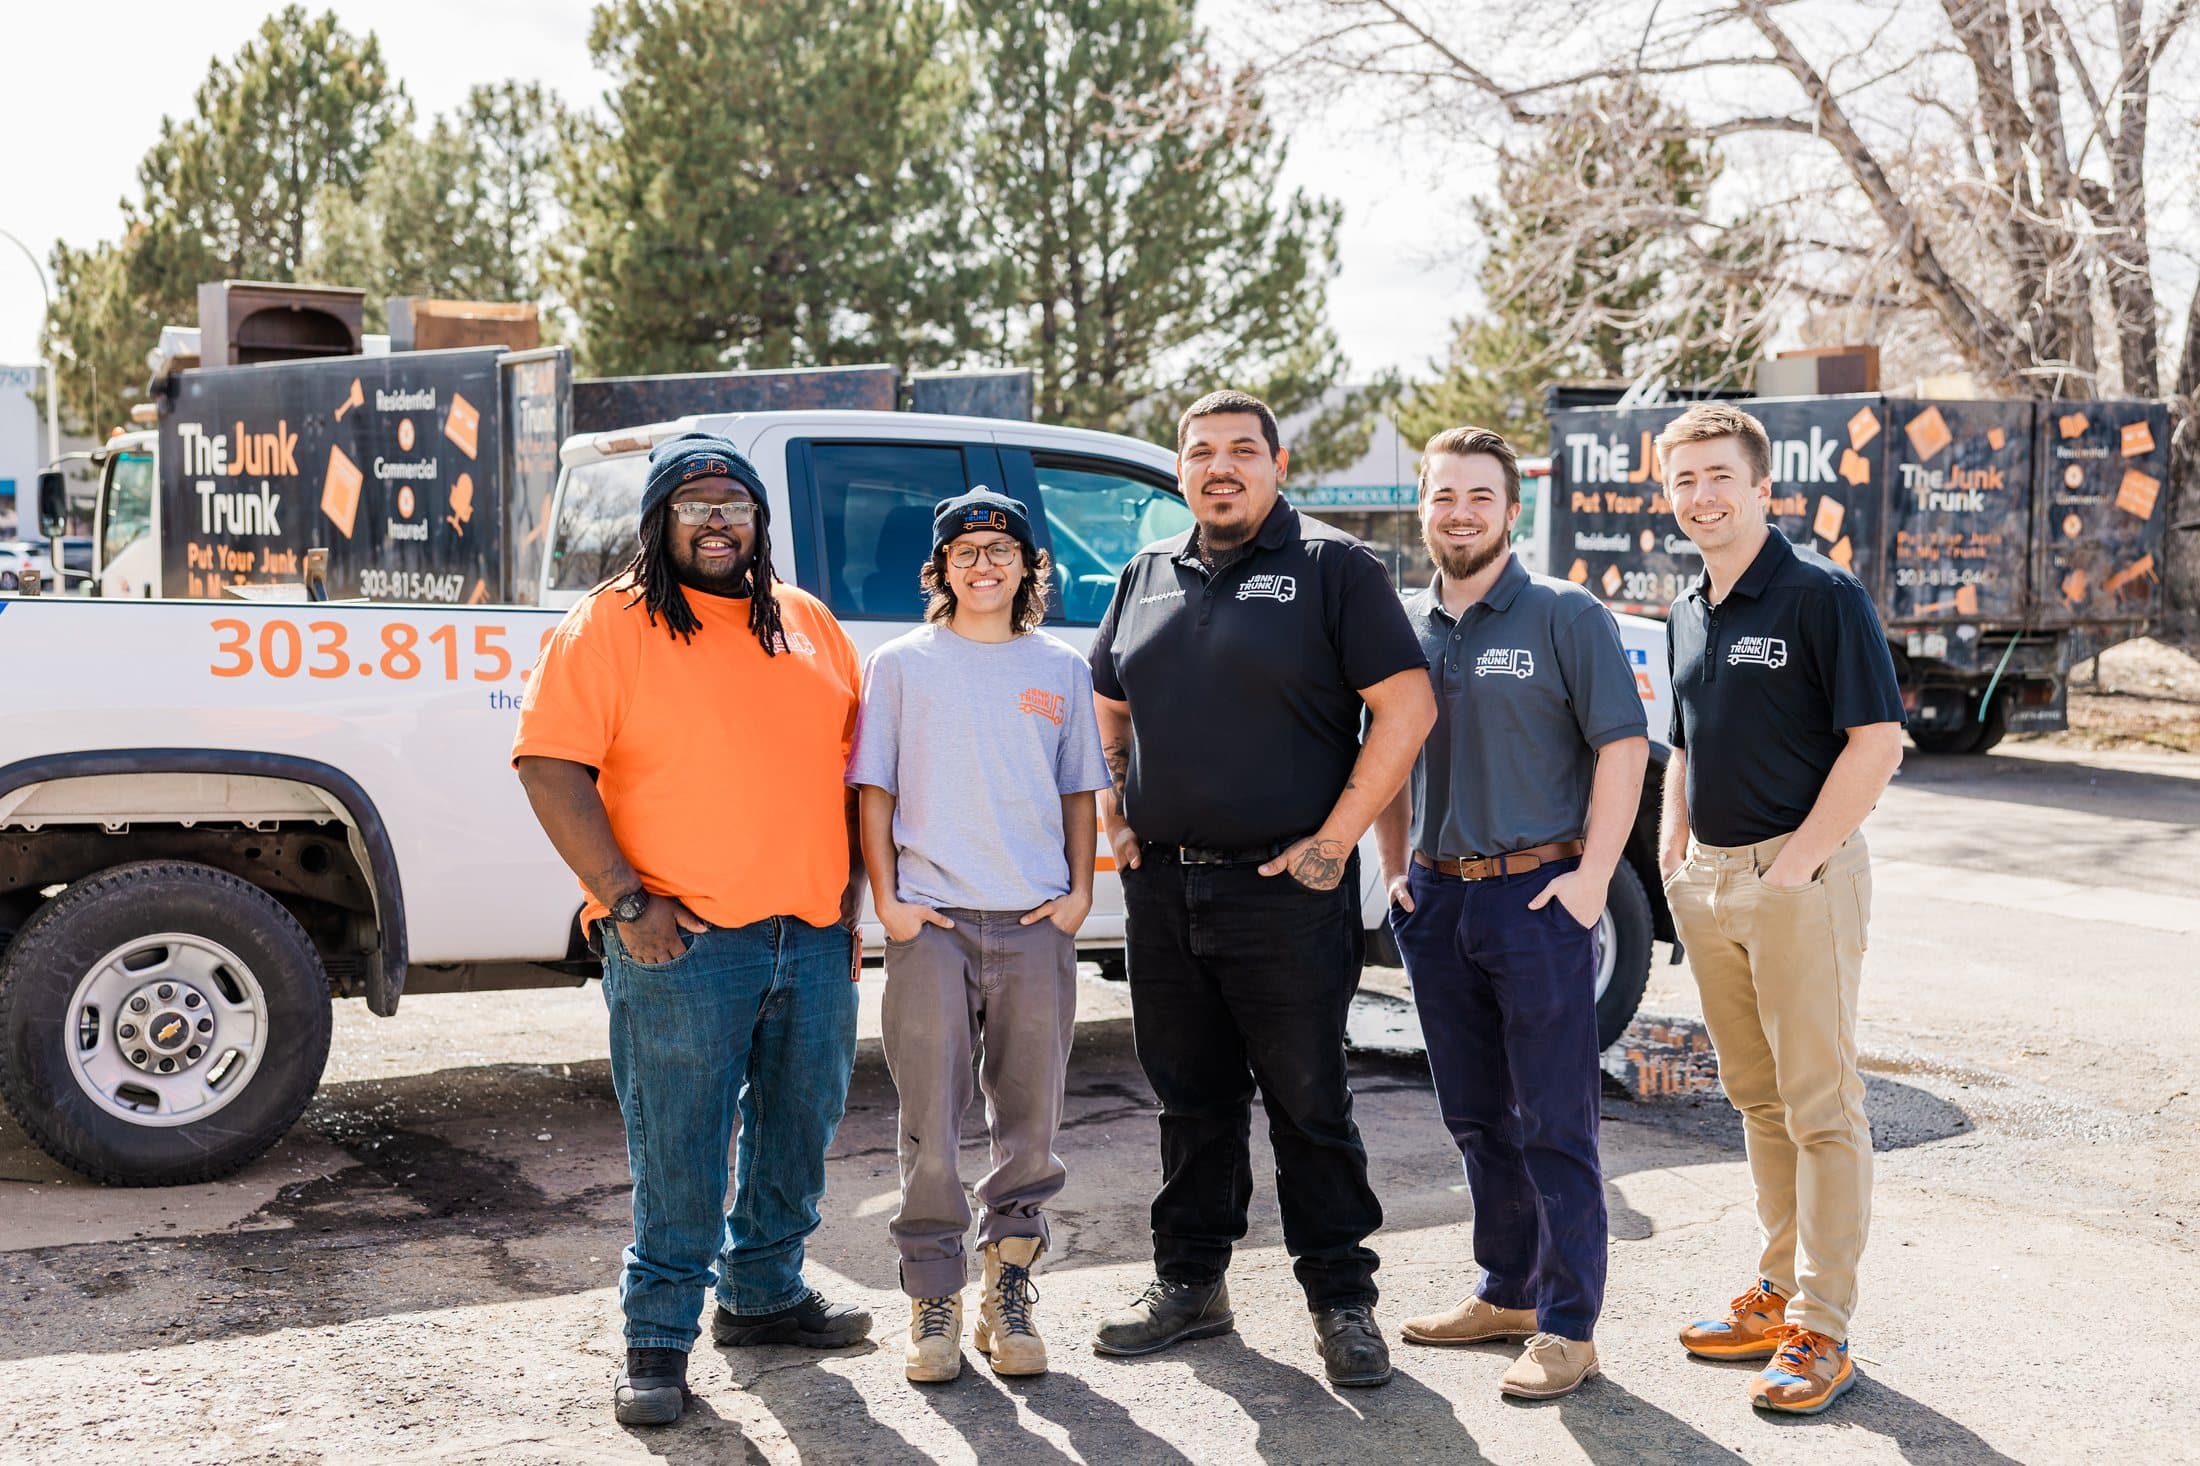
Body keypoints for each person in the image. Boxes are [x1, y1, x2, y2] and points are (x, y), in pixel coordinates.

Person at [512, 432, 871, 1428]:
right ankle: (658, 1339)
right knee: (680, 1146)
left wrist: (851, 891)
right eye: (695, 503)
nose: (718, 520)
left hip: (811, 933)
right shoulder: (610, 622)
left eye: (735, 503)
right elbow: (548, 765)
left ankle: (764, 1295)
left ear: (760, 521)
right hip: (683, 941)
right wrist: (627, 903)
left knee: (799, 1132)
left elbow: (853, 768)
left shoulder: (806, 620)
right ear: (658, 520)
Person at [1086, 389, 1436, 1388]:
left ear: (1278, 466)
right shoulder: (1146, 573)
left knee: (1308, 1101)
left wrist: (1336, 840)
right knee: (1188, 1099)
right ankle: (1190, 1283)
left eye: (1243, 449)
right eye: (1201, 452)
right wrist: (1117, 816)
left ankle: (1341, 1299)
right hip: (1164, 892)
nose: (1221, 466)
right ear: (1181, 471)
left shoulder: (1335, 568)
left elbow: (1408, 708)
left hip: (1286, 892)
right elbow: (1105, 703)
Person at [1375, 426, 1648, 1400]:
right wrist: (1394, 869)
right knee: (1476, 1115)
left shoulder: (1564, 613)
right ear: (1423, 508)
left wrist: (1592, 880)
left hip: (1537, 897)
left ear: (1510, 510)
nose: (1460, 514)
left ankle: (1569, 1325)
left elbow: (1624, 747)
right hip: (1436, 898)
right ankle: (1507, 1290)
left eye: (1478, 496)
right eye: (1443, 496)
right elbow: (1385, 753)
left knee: (1552, 1119)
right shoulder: (1403, 624)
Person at [1654, 403, 1904, 1416]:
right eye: (1684, 479)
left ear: (1762, 488)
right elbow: (1683, 742)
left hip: (1799, 881)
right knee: (1757, 1098)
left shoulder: (1820, 596)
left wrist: (1793, 868)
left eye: (1719, 475)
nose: (1701, 495)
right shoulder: (1685, 605)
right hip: (1708, 880)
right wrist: (1673, 852)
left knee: (1820, 1104)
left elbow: (1875, 744)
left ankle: (1822, 1327)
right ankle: (1776, 1290)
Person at [848, 488, 1112, 1384]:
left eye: (1001, 551)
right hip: (933, 923)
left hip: (1034, 921)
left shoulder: (1060, 668)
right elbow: (874, 790)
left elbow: (1078, 791)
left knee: (1030, 1123)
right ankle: (933, 1301)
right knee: (930, 1119)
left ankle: (1009, 1292)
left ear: (1029, 567)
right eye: (965, 552)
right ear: (942, 569)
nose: (984, 565)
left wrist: (1078, 895)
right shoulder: (901, 665)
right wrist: (889, 904)